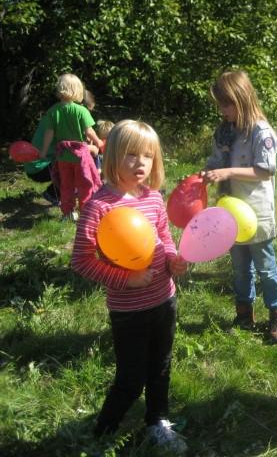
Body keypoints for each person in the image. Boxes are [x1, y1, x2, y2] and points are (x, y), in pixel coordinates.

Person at [71, 120, 188, 454]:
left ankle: (158, 421)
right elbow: (81, 261)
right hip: (129, 311)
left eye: (148, 156)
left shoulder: (153, 199)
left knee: (161, 366)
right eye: (131, 155)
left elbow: (163, 238)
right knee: (131, 378)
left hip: (164, 300)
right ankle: (103, 432)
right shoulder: (99, 207)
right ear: (113, 158)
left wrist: (172, 260)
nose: (140, 163)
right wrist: (126, 278)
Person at [200, 70, 277, 344]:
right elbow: (216, 161)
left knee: (266, 266)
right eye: (220, 105)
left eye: (227, 104)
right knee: (239, 267)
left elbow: (265, 171)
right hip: (231, 211)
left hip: (257, 212)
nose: (222, 110)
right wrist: (206, 173)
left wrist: (227, 173)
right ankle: (244, 313)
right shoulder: (224, 132)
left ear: (242, 98)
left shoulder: (261, 132)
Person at [38, 73, 102, 221]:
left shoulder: (53, 111)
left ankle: (68, 213)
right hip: (81, 157)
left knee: (66, 185)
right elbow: (89, 131)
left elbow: (49, 133)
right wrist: (98, 141)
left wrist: (44, 151)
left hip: (63, 156)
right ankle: (85, 213)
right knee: (85, 184)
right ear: (78, 90)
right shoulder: (81, 111)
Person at [24, 115, 60, 206]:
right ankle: (52, 194)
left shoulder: (51, 115)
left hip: (32, 167)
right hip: (40, 168)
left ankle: (56, 193)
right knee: (72, 165)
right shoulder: (62, 123)